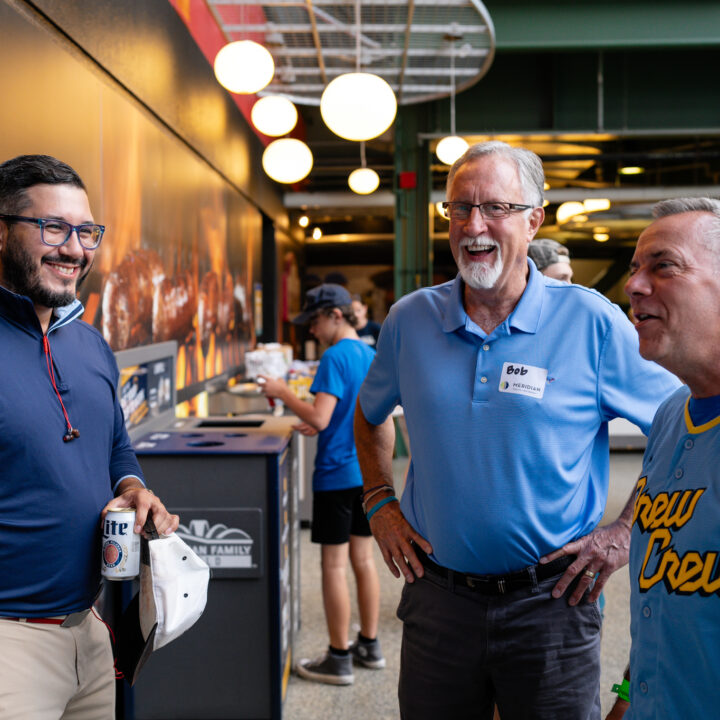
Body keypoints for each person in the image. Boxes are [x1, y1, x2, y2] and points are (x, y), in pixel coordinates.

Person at [354, 141, 681, 720]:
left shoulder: (591, 322)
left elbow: (681, 425)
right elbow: (368, 412)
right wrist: (379, 500)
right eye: (459, 209)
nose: (473, 226)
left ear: (534, 220)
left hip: (552, 606)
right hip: (438, 602)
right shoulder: (410, 320)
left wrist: (626, 531)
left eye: (494, 208)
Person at [0, 155, 179, 719]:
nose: (75, 249)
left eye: (86, 232)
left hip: (90, 631)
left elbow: (115, 444)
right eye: (52, 228)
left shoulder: (91, 345)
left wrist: (131, 486)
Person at [604, 197, 720, 720]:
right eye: (634, 270)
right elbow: (667, 602)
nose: (634, 286)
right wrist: (628, 700)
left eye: (663, 266)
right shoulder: (673, 414)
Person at [259, 283, 384, 685]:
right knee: (364, 560)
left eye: (314, 321)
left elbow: (320, 417)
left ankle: (338, 657)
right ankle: (370, 644)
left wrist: (281, 393)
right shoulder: (369, 353)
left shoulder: (334, 356)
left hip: (335, 475)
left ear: (335, 315)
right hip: (367, 474)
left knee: (332, 564)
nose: (311, 330)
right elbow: (355, 414)